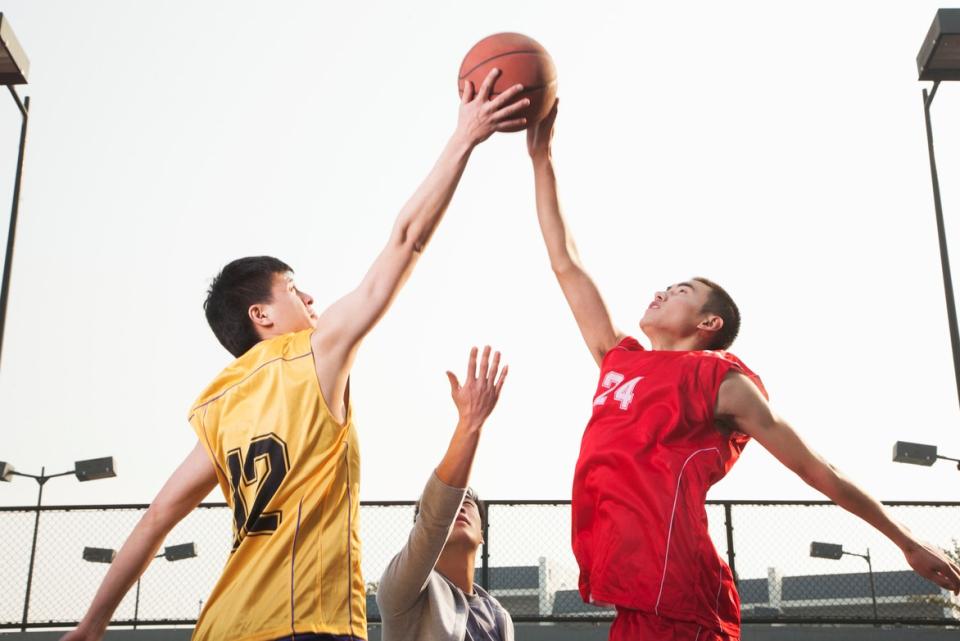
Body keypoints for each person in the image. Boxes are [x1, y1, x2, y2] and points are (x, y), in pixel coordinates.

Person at [62, 68, 530, 641]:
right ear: (261, 315)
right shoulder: (315, 353)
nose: (310, 297)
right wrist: (464, 137)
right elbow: (406, 241)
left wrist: (90, 625)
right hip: (304, 622)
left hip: (222, 627)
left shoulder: (220, 404)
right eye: (293, 289)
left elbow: (158, 517)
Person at [525, 99, 960, 641]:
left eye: (680, 290)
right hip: (632, 593)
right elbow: (566, 262)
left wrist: (906, 540)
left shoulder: (722, 382)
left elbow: (815, 468)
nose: (661, 291)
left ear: (708, 321)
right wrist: (542, 157)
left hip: (681, 594)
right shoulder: (620, 361)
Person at [378, 346, 513, 641]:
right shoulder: (403, 592)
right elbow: (434, 518)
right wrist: (470, 423)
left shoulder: (498, 615)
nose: (460, 506)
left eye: (469, 504)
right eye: (455, 504)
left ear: (482, 535)